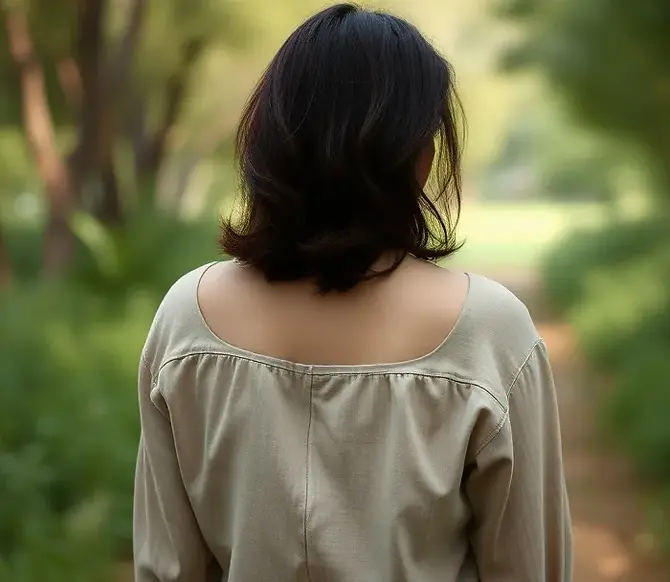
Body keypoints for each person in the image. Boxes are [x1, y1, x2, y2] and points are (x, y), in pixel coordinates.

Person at [132, 4, 573, 581]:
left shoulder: (187, 319)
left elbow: (168, 570)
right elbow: (528, 569)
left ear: (269, 140)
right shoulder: (487, 332)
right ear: (417, 157)